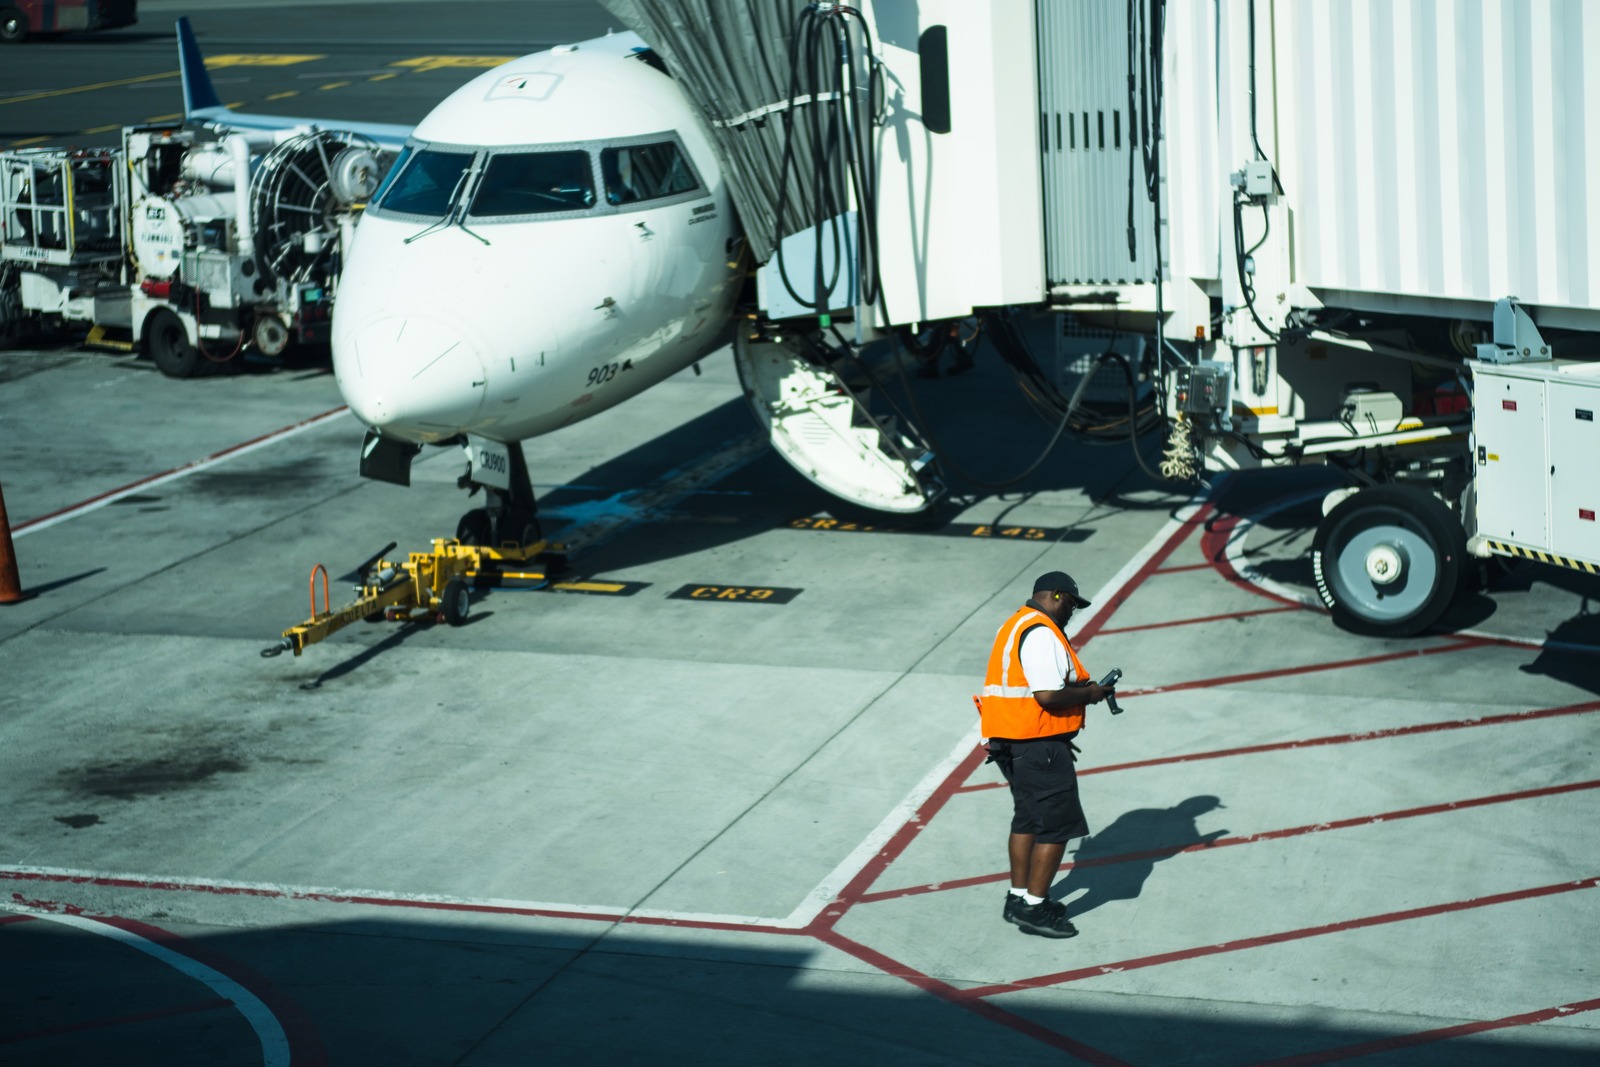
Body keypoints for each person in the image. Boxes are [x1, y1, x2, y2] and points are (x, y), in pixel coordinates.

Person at [977, 570, 1109, 939]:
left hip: (1013, 742)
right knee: (1056, 826)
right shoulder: (1041, 632)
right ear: (1054, 595)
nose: (1072, 611)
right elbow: (1047, 696)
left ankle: (1018, 898)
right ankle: (1034, 908)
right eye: (1070, 603)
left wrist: (1058, 734)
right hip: (1037, 747)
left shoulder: (1014, 624)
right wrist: (1091, 694)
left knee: (1027, 819)